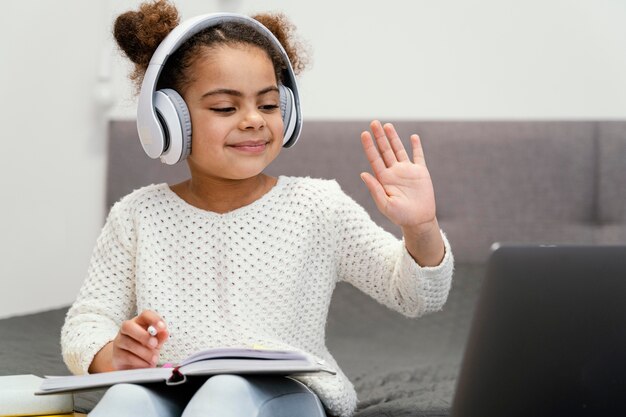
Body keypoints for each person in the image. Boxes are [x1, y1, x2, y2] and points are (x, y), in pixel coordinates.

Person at [61, 1, 454, 416]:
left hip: (284, 393)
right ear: (169, 119)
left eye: (268, 105)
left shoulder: (318, 206)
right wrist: (113, 355)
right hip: (170, 388)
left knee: (226, 393)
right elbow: (86, 322)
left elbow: (414, 296)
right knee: (126, 399)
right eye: (225, 108)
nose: (253, 120)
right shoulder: (137, 215)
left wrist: (421, 227)